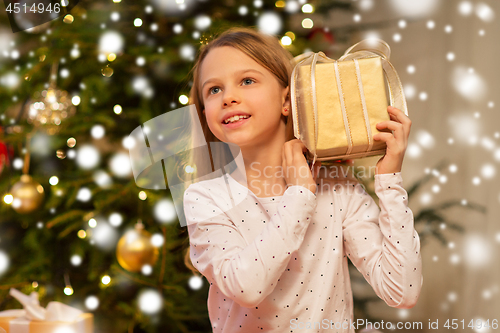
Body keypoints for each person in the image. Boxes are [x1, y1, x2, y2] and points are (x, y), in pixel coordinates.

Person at [183, 26, 422, 333]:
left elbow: (402, 291)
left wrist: (389, 177)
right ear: (205, 115)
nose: (228, 97)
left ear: (288, 98)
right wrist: (298, 194)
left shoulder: (338, 189)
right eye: (213, 90)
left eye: (247, 80)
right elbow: (245, 287)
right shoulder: (205, 198)